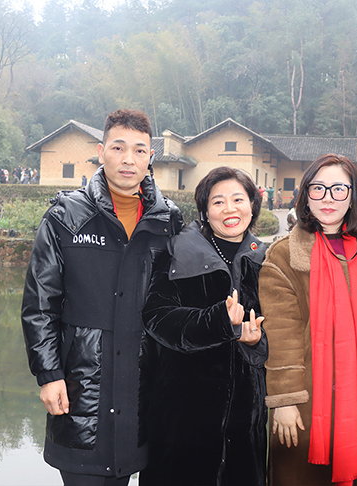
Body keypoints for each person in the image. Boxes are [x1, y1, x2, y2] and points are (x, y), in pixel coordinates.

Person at [21, 109, 183, 486]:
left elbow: (178, 305)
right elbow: (40, 304)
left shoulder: (168, 221)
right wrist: (49, 374)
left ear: (150, 157)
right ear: (101, 151)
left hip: (141, 386)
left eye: (139, 150)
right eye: (118, 147)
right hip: (82, 387)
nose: (128, 159)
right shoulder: (65, 215)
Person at [261, 154, 357, 486]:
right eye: (318, 188)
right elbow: (282, 333)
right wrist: (286, 400)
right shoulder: (284, 255)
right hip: (309, 397)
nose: (328, 198)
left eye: (339, 189)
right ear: (305, 195)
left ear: (353, 196)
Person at [139, 166, 267, 486]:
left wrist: (256, 342)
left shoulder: (266, 260)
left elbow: (285, 335)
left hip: (244, 422)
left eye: (238, 199)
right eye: (218, 202)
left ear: (253, 205)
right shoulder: (178, 252)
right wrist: (217, 320)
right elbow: (156, 317)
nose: (229, 209)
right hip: (182, 418)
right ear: (205, 211)